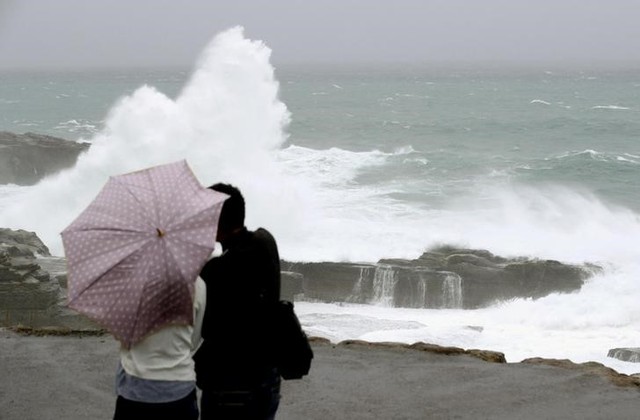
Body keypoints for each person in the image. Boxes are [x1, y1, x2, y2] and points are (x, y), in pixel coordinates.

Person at [194, 183, 282, 420]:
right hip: (267, 375)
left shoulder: (215, 271)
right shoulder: (265, 242)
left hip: (230, 385)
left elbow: (204, 327)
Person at [112, 276, 206, 420]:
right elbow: (193, 341)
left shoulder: (130, 281)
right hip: (180, 386)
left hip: (136, 387)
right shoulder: (197, 283)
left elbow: (120, 333)